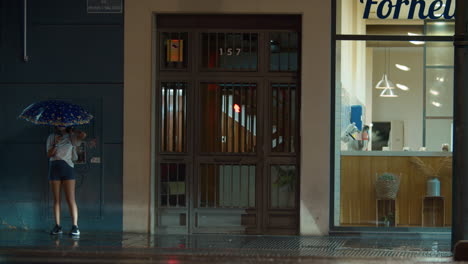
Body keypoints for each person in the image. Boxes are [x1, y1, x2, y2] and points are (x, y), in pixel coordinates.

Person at [46, 126, 86, 236]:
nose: (61, 124)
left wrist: (77, 133)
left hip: (67, 168)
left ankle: (75, 226)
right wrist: (56, 144)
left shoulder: (72, 137)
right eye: (59, 122)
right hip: (54, 167)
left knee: (70, 199)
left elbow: (81, 139)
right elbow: (49, 154)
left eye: (64, 122)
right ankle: (58, 226)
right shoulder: (51, 137)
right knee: (56, 200)